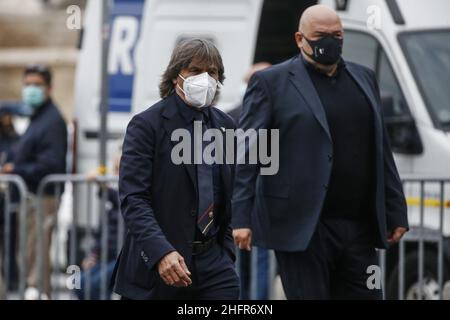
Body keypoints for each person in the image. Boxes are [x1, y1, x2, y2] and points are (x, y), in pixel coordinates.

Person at [232, 5, 408, 300]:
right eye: (320, 35)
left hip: (360, 230)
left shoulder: (365, 78)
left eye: (336, 34)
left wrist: (395, 210)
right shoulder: (271, 83)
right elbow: (248, 153)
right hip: (302, 229)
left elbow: (381, 151)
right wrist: (241, 218)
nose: (330, 40)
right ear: (300, 39)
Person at [112, 38, 239, 300]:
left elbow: (228, 194)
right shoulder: (147, 125)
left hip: (214, 265)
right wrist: (161, 252)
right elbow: (134, 198)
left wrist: (226, 252)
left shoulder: (226, 127)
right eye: (195, 71)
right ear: (175, 76)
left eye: (212, 72)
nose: (204, 78)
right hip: (161, 266)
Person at [0, 64, 68, 299]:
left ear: (49, 88)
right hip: (31, 195)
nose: (31, 89)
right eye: (28, 84)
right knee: (28, 254)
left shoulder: (52, 121)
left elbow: (51, 163)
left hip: (42, 196)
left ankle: (38, 293)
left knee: (35, 256)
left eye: (37, 85)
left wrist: (15, 168)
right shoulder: (37, 117)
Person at [228, 62, 272, 300]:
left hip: (236, 208)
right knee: (259, 270)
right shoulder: (274, 116)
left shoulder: (229, 116)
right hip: (260, 207)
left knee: (241, 273)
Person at [76, 149, 122, 300]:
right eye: (115, 169)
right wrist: (93, 255)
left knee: (95, 285)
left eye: (120, 169)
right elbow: (101, 232)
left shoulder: (129, 195)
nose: (115, 174)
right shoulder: (112, 200)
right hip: (104, 257)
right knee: (78, 283)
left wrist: (104, 187)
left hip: (120, 258)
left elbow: (123, 202)